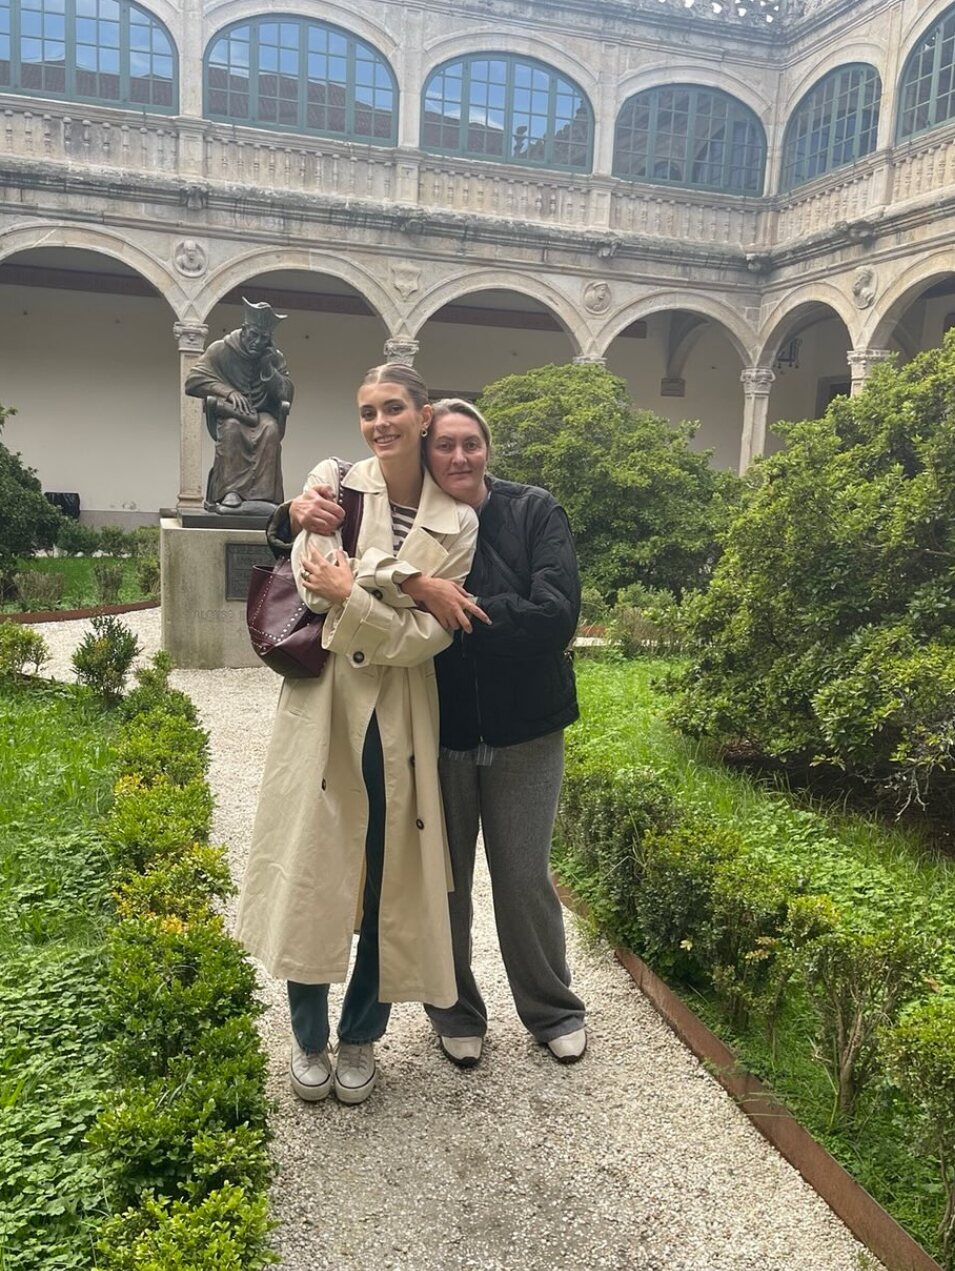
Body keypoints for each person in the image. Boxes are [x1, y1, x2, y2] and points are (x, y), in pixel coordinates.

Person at [291, 397, 587, 1067]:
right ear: (425, 451)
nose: (458, 456)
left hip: (527, 729)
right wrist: (292, 518)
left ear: (488, 449)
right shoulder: (412, 517)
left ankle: (552, 1009)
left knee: (524, 878)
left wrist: (450, 612)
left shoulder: (533, 510)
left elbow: (553, 616)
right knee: (442, 881)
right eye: (444, 445)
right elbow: (351, 571)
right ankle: (454, 1010)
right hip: (438, 728)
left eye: (470, 443)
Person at [235, 365, 480, 1107]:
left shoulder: (459, 520)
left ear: (423, 414)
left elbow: (426, 639)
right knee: (315, 865)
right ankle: (307, 1037)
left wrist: (366, 587)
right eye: (368, 411)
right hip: (325, 707)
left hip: (401, 713)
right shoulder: (333, 482)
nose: (379, 423)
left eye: (393, 408)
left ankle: (361, 1034)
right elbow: (316, 587)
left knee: (386, 878)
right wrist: (412, 581)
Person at [185, 297, 293, 510]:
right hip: (231, 413)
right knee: (232, 429)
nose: (257, 342)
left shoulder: (275, 356)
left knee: (270, 429)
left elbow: (286, 393)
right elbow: (193, 381)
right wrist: (228, 392)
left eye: (263, 338)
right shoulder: (220, 349)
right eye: (254, 335)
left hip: (262, 413)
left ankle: (263, 497)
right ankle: (230, 492)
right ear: (244, 330)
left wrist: (268, 368)